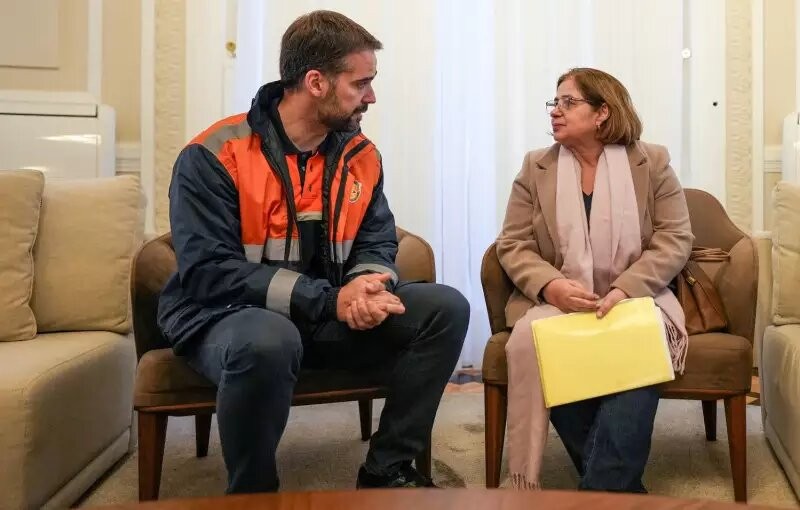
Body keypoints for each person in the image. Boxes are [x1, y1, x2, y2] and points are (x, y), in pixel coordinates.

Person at [157, 10, 469, 494]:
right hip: (225, 317)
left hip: (322, 314)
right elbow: (208, 272)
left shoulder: (359, 155)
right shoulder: (214, 155)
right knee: (268, 338)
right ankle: (253, 494)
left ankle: (387, 469)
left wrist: (367, 283)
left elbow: (377, 238)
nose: (371, 96)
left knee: (445, 308)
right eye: (360, 83)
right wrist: (329, 300)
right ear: (316, 82)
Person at [496, 68, 693, 492]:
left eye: (568, 102)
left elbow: (676, 239)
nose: (555, 112)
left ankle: (602, 492)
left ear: (603, 112)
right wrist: (552, 287)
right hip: (560, 303)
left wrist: (625, 289)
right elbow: (513, 244)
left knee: (636, 350)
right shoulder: (537, 167)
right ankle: (619, 493)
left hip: (637, 299)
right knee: (544, 344)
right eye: (554, 102)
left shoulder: (651, 162)